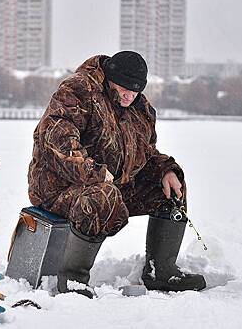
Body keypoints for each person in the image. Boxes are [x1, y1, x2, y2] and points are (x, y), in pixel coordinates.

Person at [28, 51, 205, 298]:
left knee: (170, 187)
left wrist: (165, 169)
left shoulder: (139, 108)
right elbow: (56, 142)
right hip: (59, 188)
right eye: (123, 89)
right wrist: (96, 173)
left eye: (135, 91)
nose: (128, 95)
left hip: (113, 185)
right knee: (102, 196)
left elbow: (144, 153)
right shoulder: (78, 90)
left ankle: (160, 272)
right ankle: (73, 282)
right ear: (110, 77)